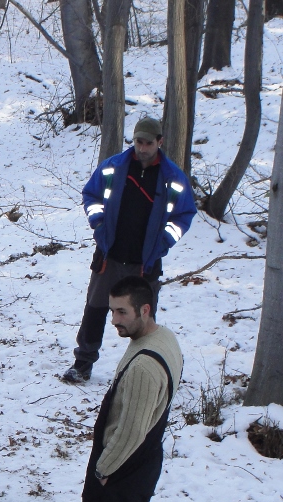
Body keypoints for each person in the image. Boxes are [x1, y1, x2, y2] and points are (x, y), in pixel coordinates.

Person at [50, 276, 183, 502]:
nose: (114, 321)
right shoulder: (164, 339)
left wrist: (104, 470)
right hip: (146, 461)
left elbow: (130, 430)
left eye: (122, 312)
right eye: (112, 311)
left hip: (123, 464)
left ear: (145, 309)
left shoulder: (144, 366)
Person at [61, 116, 195, 384]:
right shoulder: (113, 167)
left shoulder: (172, 178)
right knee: (95, 309)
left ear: (160, 142)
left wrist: (164, 241)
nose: (142, 148)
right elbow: (91, 195)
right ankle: (83, 363)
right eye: (138, 142)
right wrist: (98, 224)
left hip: (145, 262)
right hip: (109, 256)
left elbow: (184, 214)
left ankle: (147, 370)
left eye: (148, 143)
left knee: (144, 317)